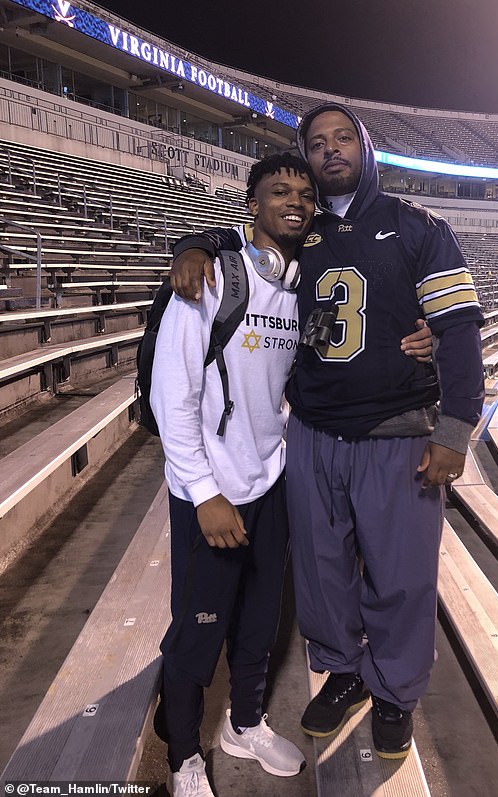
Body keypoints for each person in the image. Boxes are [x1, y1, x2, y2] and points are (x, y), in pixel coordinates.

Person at [170, 103, 484, 761]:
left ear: (366, 149)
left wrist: (454, 429)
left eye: (344, 138)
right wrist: (194, 245)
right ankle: (344, 669)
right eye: (318, 142)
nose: (331, 150)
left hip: (396, 432)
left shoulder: (417, 226)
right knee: (320, 571)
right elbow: (241, 240)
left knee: (400, 575)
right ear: (305, 156)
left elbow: (457, 329)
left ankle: (395, 688)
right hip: (311, 433)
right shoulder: (300, 235)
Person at [150, 152, 316, 797]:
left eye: (304, 192)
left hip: (269, 477)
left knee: (259, 618)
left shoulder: (300, 285)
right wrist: (204, 493)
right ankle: (183, 755)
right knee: (197, 626)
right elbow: (174, 395)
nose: (295, 200)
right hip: (212, 489)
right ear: (253, 205)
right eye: (280, 191)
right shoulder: (212, 277)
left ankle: (244, 724)